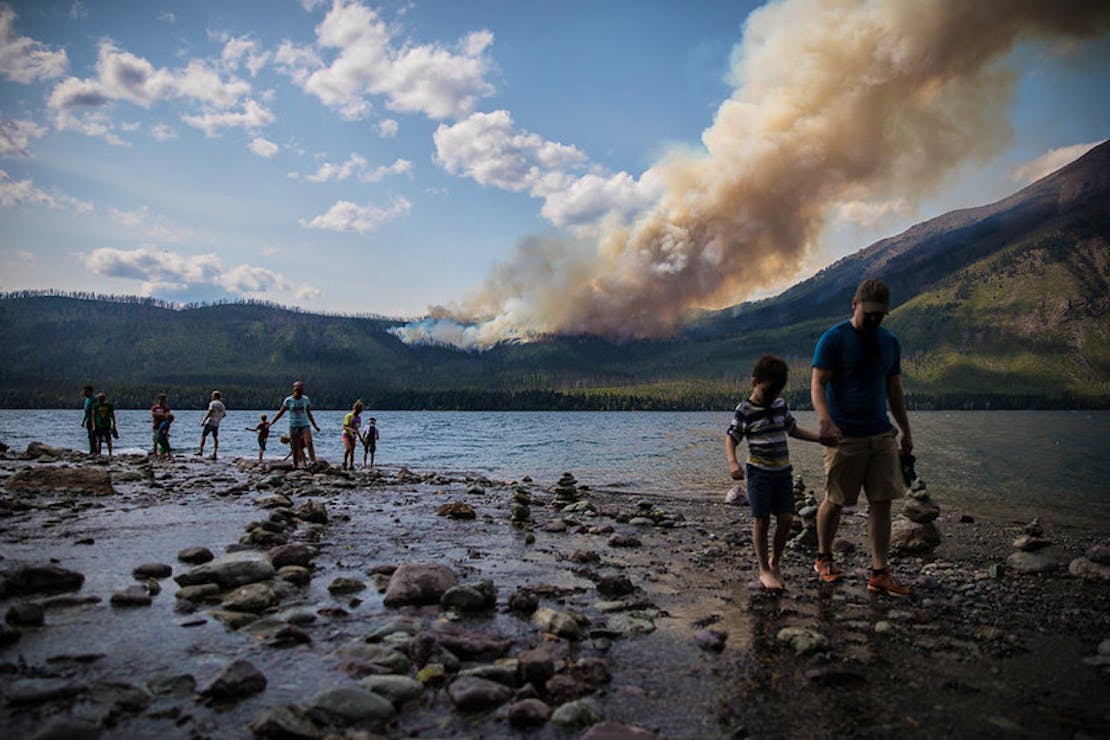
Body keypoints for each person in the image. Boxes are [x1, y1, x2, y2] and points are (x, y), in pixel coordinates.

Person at [811, 278, 915, 597]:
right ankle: (823, 558)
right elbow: (817, 384)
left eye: (879, 314)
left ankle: (879, 572)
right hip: (844, 435)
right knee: (836, 499)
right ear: (854, 305)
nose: (873, 319)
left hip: (881, 434)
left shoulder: (889, 342)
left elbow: (894, 390)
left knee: (882, 502)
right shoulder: (834, 339)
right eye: (868, 312)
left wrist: (907, 433)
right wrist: (825, 422)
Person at [726, 355, 827, 591]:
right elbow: (731, 437)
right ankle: (763, 569)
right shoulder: (745, 410)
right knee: (761, 520)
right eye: (768, 389)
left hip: (782, 472)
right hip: (759, 473)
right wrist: (733, 463)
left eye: (777, 390)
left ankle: (776, 561)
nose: (772, 395)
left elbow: (792, 429)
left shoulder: (780, 405)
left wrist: (821, 438)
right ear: (754, 382)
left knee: (786, 519)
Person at [269, 381, 320, 468]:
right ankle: (295, 464)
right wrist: (271, 422)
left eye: (301, 390)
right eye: (297, 390)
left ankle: (313, 462)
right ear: (294, 390)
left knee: (309, 442)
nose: (299, 392)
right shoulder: (288, 400)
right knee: (295, 446)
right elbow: (280, 412)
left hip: (305, 424)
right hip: (294, 425)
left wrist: (315, 425)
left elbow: (309, 413)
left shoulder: (305, 399)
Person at [197, 390, 227, 460]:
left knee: (203, 436)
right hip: (216, 424)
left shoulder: (213, 403)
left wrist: (204, 420)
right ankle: (215, 452)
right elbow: (224, 415)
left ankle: (201, 451)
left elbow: (210, 412)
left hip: (210, 422)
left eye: (212, 395)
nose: (211, 397)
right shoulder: (222, 405)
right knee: (215, 437)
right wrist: (218, 418)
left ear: (215, 396)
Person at [91, 391, 118, 458]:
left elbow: (113, 415)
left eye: (101, 398)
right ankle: (99, 453)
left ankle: (110, 454)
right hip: (98, 425)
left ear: (104, 398)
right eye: (99, 398)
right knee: (99, 440)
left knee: (108, 440)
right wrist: (94, 425)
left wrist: (114, 424)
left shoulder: (109, 405)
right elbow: (93, 416)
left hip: (107, 425)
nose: (100, 399)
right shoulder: (95, 405)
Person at [341, 400, 364, 470]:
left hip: (353, 436)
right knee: (348, 449)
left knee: (352, 451)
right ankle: (344, 462)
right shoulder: (349, 416)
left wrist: (361, 439)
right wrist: (352, 430)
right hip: (346, 434)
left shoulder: (359, 418)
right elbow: (345, 426)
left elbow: (357, 430)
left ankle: (351, 465)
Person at [80, 385, 97, 454]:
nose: (84, 393)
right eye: (84, 392)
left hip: (94, 420)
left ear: (90, 391)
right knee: (90, 436)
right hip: (88, 420)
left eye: (86, 391)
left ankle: (95, 451)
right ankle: (92, 450)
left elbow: (95, 411)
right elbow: (86, 412)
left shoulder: (94, 399)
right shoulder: (87, 400)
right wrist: (83, 421)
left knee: (93, 435)